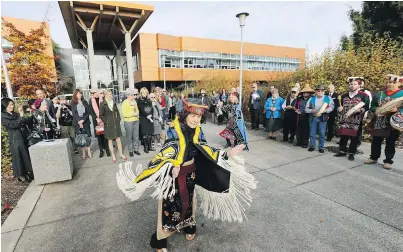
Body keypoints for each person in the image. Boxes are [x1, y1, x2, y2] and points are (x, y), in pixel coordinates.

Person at [116, 98, 257, 252]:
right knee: (170, 205)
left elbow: (205, 149)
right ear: (185, 115)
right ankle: (160, 239)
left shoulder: (198, 130)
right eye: (192, 116)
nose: (196, 120)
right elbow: (167, 150)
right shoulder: (173, 129)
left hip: (190, 173)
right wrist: (172, 165)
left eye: (198, 116)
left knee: (189, 202)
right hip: (173, 175)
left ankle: (188, 226)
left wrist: (227, 154)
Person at [364, 74, 403, 169]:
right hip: (379, 120)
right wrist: (376, 109)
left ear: (399, 83)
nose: (391, 84)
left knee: (391, 141)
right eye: (389, 82)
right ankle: (373, 157)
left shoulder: (401, 94)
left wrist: (398, 111)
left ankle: (388, 160)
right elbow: (372, 106)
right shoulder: (380, 94)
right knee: (376, 140)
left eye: (394, 82)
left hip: (393, 121)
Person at [334, 78, 370, 161]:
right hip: (345, 119)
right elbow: (338, 105)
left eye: (355, 84)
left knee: (354, 137)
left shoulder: (364, 95)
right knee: (343, 136)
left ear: (359, 85)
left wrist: (361, 110)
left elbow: (367, 106)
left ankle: (351, 153)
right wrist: (339, 108)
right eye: (351, 84)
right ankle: (342, 151)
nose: (352, 86)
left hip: (356, 120)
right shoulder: (344, 95)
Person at [1, 98, 35, 183]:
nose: (12, 106)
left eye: (12, 105)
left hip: (21, 136)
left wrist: (30, 116)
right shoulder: (3, 116)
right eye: (10, 105)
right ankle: (20, 174)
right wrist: (21, 116)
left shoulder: (14, 114)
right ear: (5, 106)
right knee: (18, 156)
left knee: (25, 155)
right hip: (15, 138)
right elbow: (13, 125)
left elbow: (22, 121)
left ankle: (27, 172)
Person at [305, 85, 335, 153]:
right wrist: (311, 111)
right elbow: (306, 109)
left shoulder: (328, 98)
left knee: (322, 133)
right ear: (315, 91)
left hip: (323, 118)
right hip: (313, 118)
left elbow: (332, 107)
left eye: (322, 91)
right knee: (312, 133)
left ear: (324, 91)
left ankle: (321, 147)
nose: (320, 92)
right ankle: (312, 146)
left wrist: (326, 110)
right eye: (318, 91)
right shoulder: (311, 98)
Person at [100, 89, 126, 163]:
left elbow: (117, 111)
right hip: (108, 125)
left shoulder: (113, 102)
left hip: (116, 124)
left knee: (118, 139)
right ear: (105, 95)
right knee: (110, 140)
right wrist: (106, 122)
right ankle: (113, 156)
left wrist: (118, 119)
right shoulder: (102, 103)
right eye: (109, 94)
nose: (111, 96)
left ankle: (121, 154)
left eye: (111, 94)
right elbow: (101, 115)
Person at [88, 89, 110, 158]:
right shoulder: (91, 101)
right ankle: (101, 150)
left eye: (96, 92)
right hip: (96, 121)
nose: (95, 94)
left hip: (104, 120)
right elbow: (91, 111)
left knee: (105, 135)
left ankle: (107, 149)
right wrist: (97, 119)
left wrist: (103, 118)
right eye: (93, 93)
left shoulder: (102, 99)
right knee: (99, 136)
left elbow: (105, 109)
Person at [71, 89, 92, 160]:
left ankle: (89, 151)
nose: (79, 95)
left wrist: (83, 120)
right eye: (78, 94)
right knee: (81, 138)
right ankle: (83, 152)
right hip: (77, 123)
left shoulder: (85, 101)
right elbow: (74, 114)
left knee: (88, 137)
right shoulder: (73, 102)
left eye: (80, 93)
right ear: (75, 95)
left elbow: (88, 112)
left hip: (85, 122)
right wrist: (79, 122)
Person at [122, 88, 141, 157]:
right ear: (128, 95)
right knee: (129, 137)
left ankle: (136, 149)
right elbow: (124, 114)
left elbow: (137, 110)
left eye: (133, 95)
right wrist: (133, 114)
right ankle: (130, 150)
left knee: (136, 136)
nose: (133, 96)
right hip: (128, 122)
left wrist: (136, 113)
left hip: (136, 120)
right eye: (132, 95)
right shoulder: (124, 102)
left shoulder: (134, 102)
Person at [137, 87, 154, 153]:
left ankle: (150, 147)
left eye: (146, 92)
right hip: (144, 118)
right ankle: (145, 148)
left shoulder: (149, 100)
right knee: (145, 134)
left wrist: (151, 115)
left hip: (150, 117)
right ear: (141, 93)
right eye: (143, 92)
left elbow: (151, 108)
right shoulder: (139, 100)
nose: (145, 93)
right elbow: (141, 109)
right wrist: (147, 115)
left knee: (149, 133)